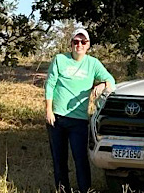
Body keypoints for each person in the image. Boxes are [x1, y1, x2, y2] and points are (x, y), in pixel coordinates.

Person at [45, 27, 116, 192]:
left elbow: (111, 80)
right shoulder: (60, 59)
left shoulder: (93, 63)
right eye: (76, 42)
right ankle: (63, 189)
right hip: (57, 117)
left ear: (88, 45)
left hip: (79, 120)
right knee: (59, 158)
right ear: (71, 44)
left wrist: (102, 84)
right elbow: (50, 84)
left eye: (83, 42)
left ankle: (86, 189)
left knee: (80, 158)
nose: (79, 45)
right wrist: (49, 110)